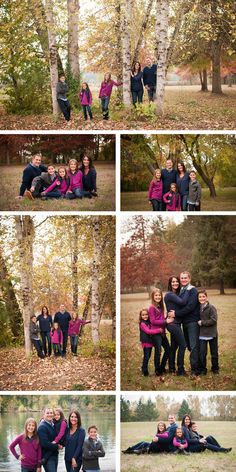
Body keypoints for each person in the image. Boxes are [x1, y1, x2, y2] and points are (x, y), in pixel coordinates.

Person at [168, 271, 200, 376]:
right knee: (190, 346)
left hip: (192, 322)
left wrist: (176, 314)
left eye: (185, 278)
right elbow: (179, 304)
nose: (183, 280)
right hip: (184, 322)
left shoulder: (192, 290)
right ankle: (195, 366)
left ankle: (195, 370)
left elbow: (189, 307)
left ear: (189, 279)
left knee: (193, 346)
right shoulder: (182, 290)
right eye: (182, 278)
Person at [164, 276, 189, 375]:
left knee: (174, 347)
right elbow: (183, 302)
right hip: (173, 324)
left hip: (176, 323)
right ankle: (180, 370)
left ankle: (171, 368)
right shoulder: (170, 295)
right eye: (173, 282)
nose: (175, 283)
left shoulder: (176, 294)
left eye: (177, 281)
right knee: (183, 345)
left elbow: (179, 306)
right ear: (170, 284)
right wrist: (187, 289)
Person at [148, 288, 170, 375]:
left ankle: (162, 367)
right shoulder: (151, 308)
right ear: (153, 297)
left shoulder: (160, 307)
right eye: (156, 295)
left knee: (168, 349)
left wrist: (167, 318)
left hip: (162, 333)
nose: (158, 297)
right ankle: (157, 370)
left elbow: (161, 319)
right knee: (158, 351)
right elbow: (153, 321)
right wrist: (165, 321)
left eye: (159, 295)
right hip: (155, 333)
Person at [198, 290, 219, 375]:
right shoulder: (197, 308)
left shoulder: (211, 307)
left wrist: (202, 322)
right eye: (200, 297)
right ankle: (203, 369)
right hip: (202, 334)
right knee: (202, 353)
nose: (202, 298)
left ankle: (215, 368)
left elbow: (214, 320)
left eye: (203, 296)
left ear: (206, 297)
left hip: (212, 333)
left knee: (214, 352)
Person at [139, 308, 164, 376]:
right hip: (146, 342)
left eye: (146, 314)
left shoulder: (149, 322)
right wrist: (159, 330)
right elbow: (148, 331)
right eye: (143, 315)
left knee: (148, 356)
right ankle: (145, 371)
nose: (145, 316)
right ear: (140, 316)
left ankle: (143, 367)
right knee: (146, 357)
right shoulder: (142, 324)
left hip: (150, 342)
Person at [38, 407, 60, 472]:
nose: (49, 414)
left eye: (51, 413)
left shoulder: (53, 424)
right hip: (47, 457)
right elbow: (45, 444)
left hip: (54, 454)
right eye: (47, 413)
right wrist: (57, 446)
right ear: (43, 415)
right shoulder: (42, 427)